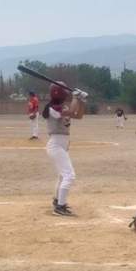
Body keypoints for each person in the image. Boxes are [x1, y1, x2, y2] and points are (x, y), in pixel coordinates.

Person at [43, 82, 87, 216]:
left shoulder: (63, 107)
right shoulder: (51, 108)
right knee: (69, 175)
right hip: (55, 144)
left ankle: (58, 201)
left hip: (62, 144)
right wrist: (75, 97)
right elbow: (72, 111)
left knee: (63, 175)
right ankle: (60, 207)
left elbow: (78, 115)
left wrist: (82, 101)